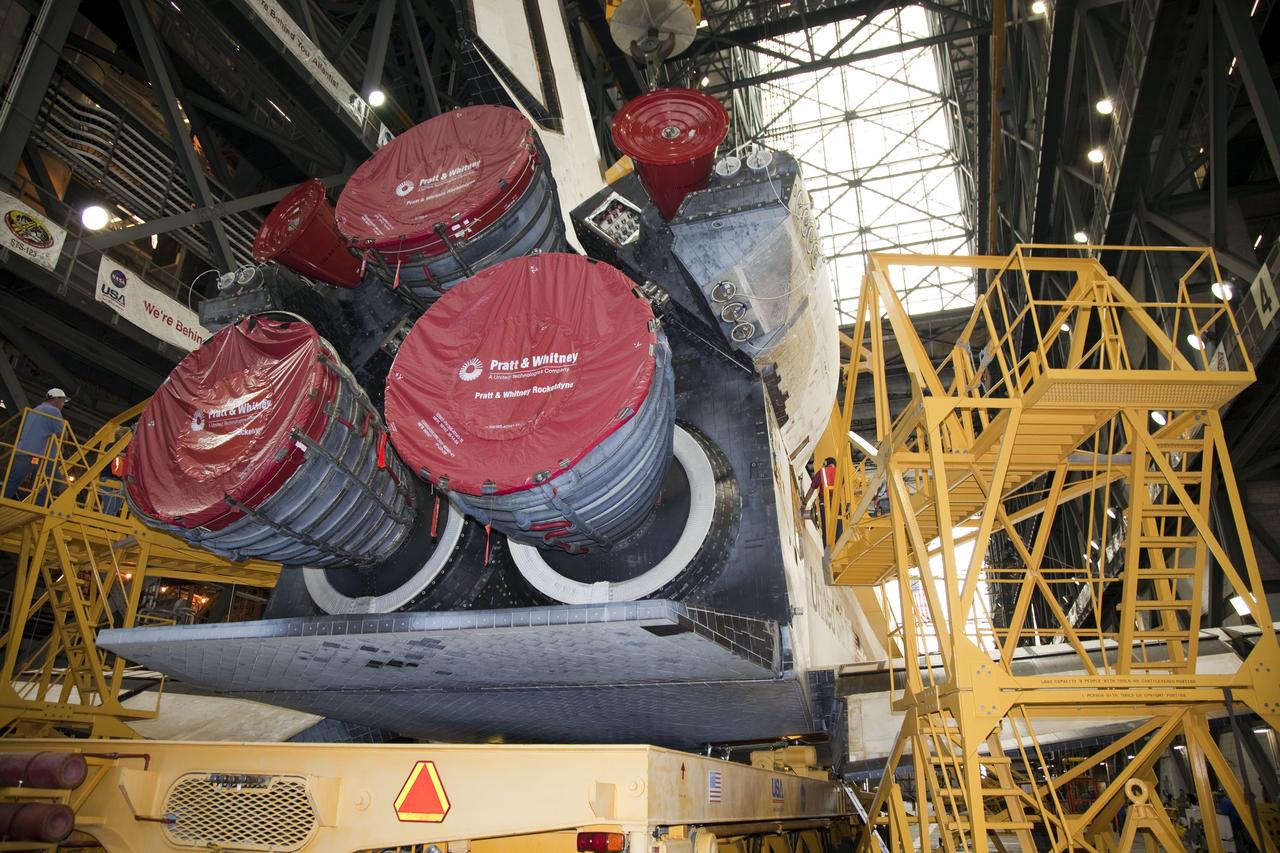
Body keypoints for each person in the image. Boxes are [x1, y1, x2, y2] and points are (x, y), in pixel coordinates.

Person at [3, 388, 69, 501]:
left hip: (23, 451)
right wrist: (65, 432)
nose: (63, 404)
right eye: (63, 401)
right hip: (40, 454)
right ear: (56, 399)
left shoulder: (35, 410)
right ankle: (37, 503)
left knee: (12, 482)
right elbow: (62, 435)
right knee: (56, 481)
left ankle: (3, 501)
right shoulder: (53, 411)